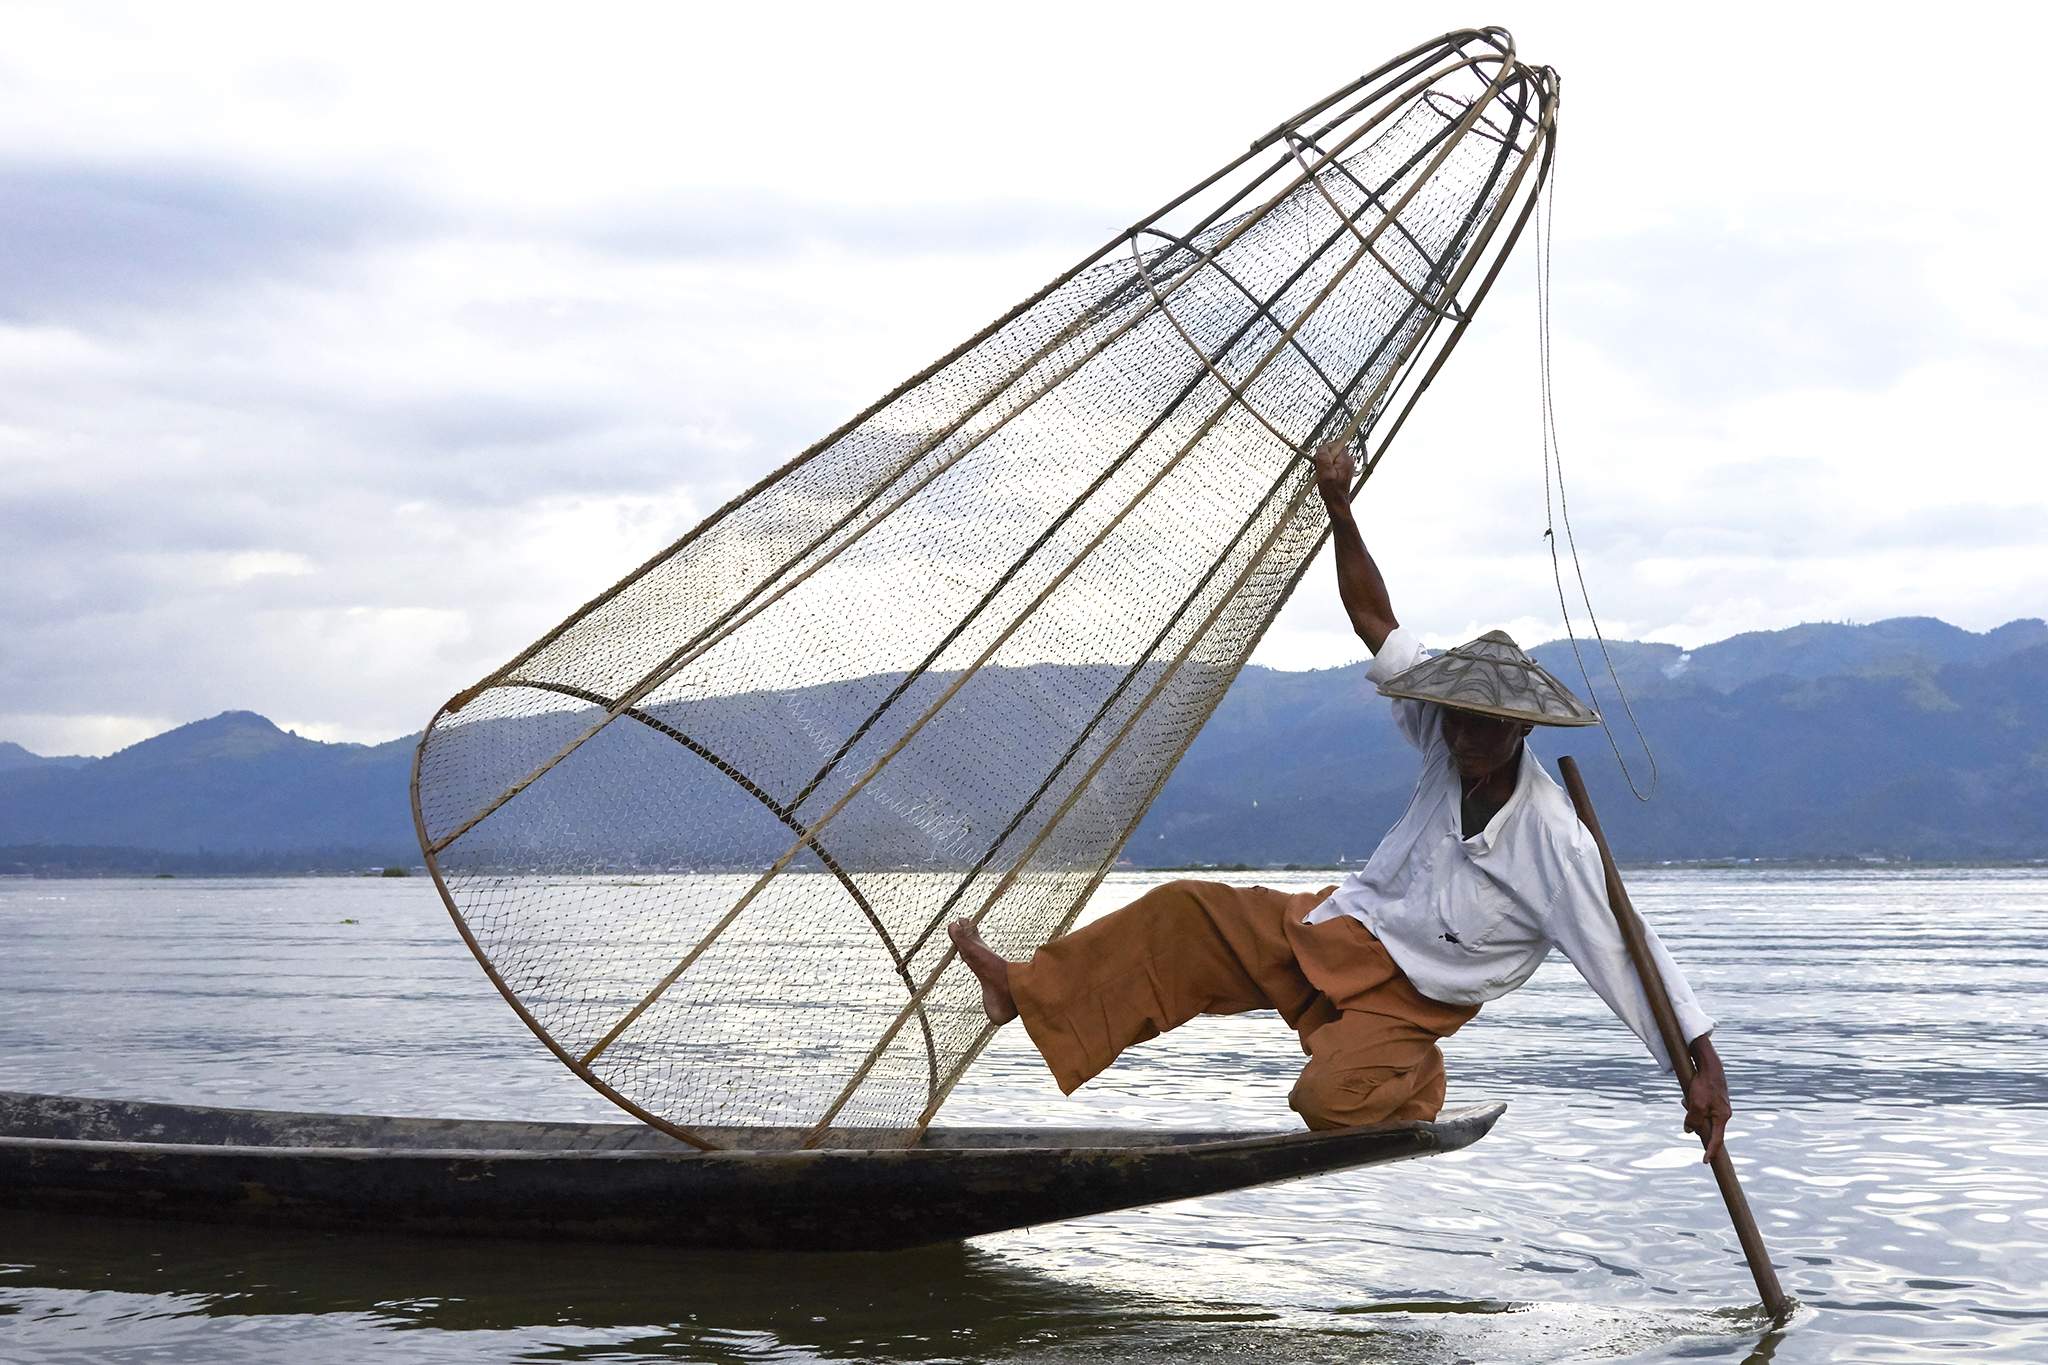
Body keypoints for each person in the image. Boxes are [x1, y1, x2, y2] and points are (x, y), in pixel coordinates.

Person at [950, 438, 1734, 1161]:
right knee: (1183, 910)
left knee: (1327, 1099)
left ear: (1519, 730)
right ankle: (1023, 990)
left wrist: (1701, 1068)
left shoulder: (1553, 840)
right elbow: (1373, 620)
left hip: (1409, 1004)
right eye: (1458, 717)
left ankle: (1416, 1079)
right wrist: (1339, 508)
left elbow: (1628, 954)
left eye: (1484, 726)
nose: (1463, 736)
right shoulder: (1443, 732)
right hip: (1337, 927)